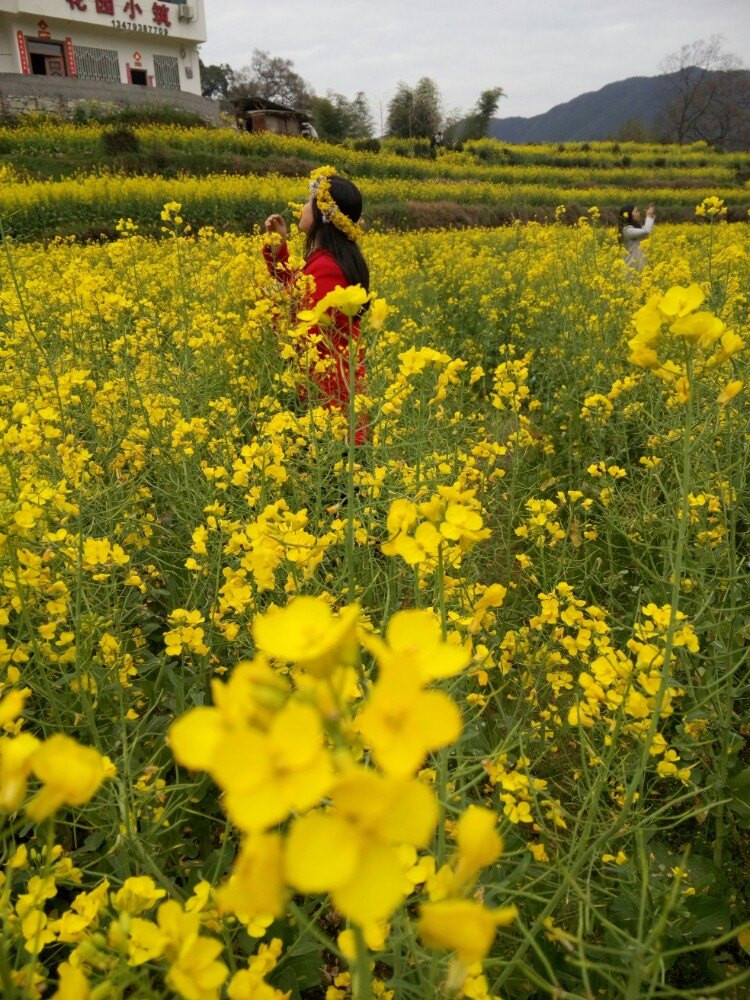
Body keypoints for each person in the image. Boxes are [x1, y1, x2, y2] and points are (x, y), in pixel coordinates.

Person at [263, 166, 370, 443]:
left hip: (330, 401)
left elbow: (304, 327)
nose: (302, 206)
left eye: (308, 201)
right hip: (329, 389)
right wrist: (279, 247)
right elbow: (300, 287)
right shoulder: (328, 259)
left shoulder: (328, 268)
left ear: (323, 212)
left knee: (336, 480)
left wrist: (273, 308)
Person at [619, 202, 655, 270]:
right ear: (629, 215)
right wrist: (649, 216)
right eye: (636, 211)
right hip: (631, 269)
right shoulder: (627, 230)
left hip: (639, 267)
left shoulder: (635, 228)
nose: (639, 213)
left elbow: (647, 230)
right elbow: (646, 231)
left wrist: (651, 216)